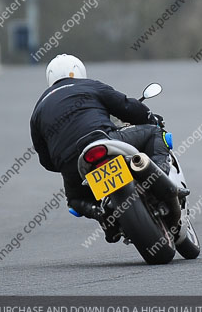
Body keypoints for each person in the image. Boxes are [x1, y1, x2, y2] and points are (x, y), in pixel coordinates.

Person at [29, 54, 170, 242]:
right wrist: (150, 118)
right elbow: (126, 106)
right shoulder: (89, 85)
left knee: (75, 200)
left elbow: (45, 160)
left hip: (72, 164)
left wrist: (64, 162)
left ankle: (101, 213)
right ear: (80, 71)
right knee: (154, 133)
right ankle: (161, 180)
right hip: (101, 140)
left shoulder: (38, 110)